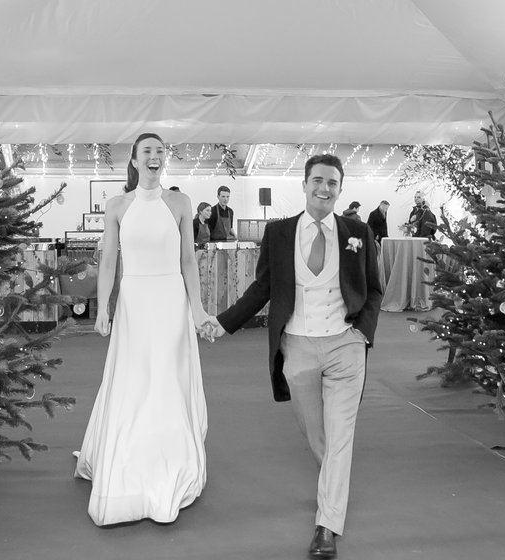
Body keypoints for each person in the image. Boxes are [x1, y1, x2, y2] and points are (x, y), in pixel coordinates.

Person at [204, 154, 382, 559]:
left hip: (345, 345)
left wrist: (361, 334)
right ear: (304, 184)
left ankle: (327, 525)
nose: (325, 188)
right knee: (315, 433)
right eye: (318, 180)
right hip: (298, 347)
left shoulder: (358, 232)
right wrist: (224, 322)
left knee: (340, 437)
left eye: (333, 182)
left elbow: (373, 289)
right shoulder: (279, 233)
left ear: (340, 188)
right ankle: (332, 484)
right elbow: (262, 288)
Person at [75, 132, 213, 526]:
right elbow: (108, 263)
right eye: (146, 151)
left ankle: (170, 461)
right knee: (134, 380)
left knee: (168, 379)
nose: (154, 157)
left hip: (172, 301)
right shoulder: (117, 205)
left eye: (160, 151)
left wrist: (198, 309)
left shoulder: (181, 202)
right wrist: (104, 308)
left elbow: (188, 260)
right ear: (134, 161)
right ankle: (130, 461)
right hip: (134, 302)